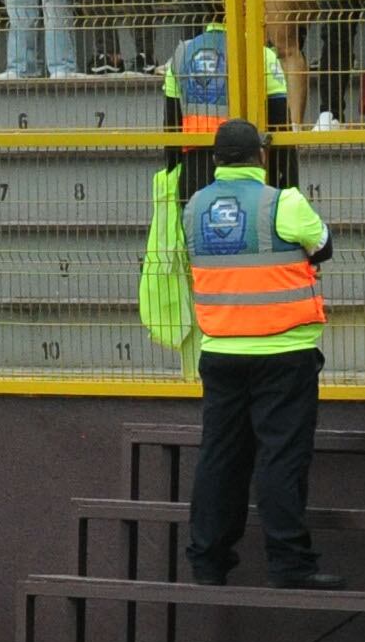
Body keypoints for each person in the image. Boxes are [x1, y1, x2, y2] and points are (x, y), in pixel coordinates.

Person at [136, 115, 336, 588]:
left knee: (219, 457)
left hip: (221, 351)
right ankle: (289, 563)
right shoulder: (282, 201)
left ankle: (207, 561)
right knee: (281, 457)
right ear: (260, 156)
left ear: (217, 161)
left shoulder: (193, 209)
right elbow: (323, 247)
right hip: (284, 352)